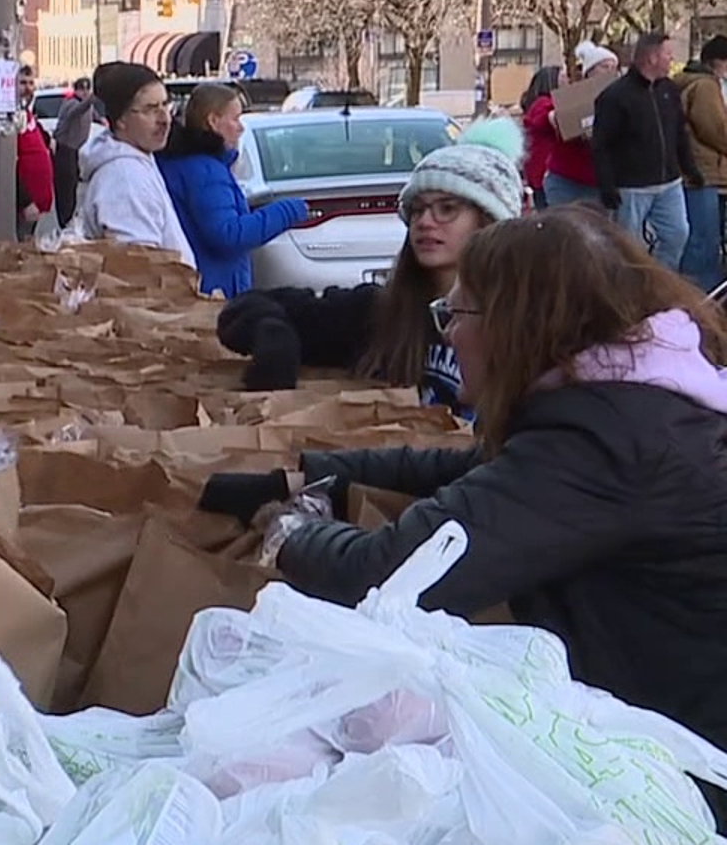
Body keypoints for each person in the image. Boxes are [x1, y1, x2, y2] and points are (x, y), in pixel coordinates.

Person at [199, 204, 727, 829]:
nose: (447, 333)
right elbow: (470, 469)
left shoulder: (608, 447)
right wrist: (309, 474)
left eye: (459, 314)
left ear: (520, 325)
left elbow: (387, 573)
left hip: (681, 777)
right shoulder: (630, 399)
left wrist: (288, 531)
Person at [216, 118, 526, 413]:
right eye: (417, 210)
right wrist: (274, 337)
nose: (425, 222)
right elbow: (245, 309)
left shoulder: (529, 323)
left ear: (490, 222)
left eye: (447, 209)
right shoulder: (381, 313)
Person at [157, 83, 307, 297]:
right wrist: (288, 211)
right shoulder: (206, 171)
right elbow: (227, 234)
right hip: (215, 288)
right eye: (235, 118)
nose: (241, 127)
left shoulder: (187, 163)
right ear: (213, 121)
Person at [593, 32, 703, 268]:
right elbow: (601, 144)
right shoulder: (615, 97)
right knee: (628, 245)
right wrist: (607, 185)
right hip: (632, 186)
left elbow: (679, 133)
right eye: (668, 55)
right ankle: (627, 289)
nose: (671, 60)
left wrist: (690, 167)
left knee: (677, 233)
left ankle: (660, 280)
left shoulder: (669, 90)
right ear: (652, 57)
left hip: (669, 182)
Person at [72, 62, 194, 266]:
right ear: (121, 120)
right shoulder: (125, 179)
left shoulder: (138, 159)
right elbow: (139, 273)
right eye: (150, 109)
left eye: (165, 105)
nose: (165, 119)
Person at [536, 41, 618, 208]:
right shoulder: (572, 98)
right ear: (589, 71)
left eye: (613, 67)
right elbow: (540, 118)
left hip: (602, 184)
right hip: (567, 182)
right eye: (604, 66)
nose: (610, 71)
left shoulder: (620, 99)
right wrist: (555, 119)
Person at [674, 35, 727, 290]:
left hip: (699, 171)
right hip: (704, 173)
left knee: (701, 239)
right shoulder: (705, 86)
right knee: (704, 242)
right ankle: (701, 298)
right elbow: (715, 129)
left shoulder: (687, 82)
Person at [52, 76, 99, 226]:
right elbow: (77, 111)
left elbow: (93, 114)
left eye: (87, 89)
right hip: (65, 149)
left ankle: (70, 217)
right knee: (66, 188)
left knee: (74, 186)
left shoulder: (88, 107)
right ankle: (64, 221)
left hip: (77, 150)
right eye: (82, 89)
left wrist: (102, 120)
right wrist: (92, 99)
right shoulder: (71, 103)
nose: (84, 92)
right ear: (76, 90)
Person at [15, 65, 54, 240]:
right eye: (22, 83)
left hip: (38, 202)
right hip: (23, 205)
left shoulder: (26, 114)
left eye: (31, 83)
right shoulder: (10, 118)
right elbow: (9, 164)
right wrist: (25, 201)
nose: (28, 88)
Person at [517, 64, 562, 208]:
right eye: (563, 77)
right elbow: (541, 121)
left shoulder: (538, 103)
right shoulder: (544, 103)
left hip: (539, 171)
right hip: (544, 171)